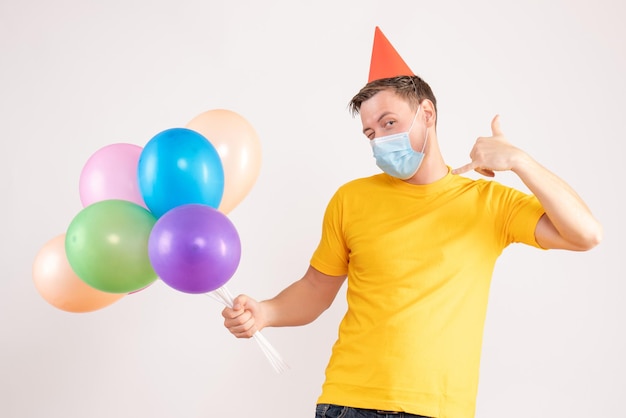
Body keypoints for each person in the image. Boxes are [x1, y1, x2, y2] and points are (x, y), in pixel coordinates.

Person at [222, 27, 603, 418]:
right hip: (350, 403)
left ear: (427, 114)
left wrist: (521, 162)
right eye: (370, 132)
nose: (379, 141)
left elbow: (586, 234)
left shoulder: (490, 203)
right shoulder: (351, 199)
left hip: (441, 409)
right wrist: (265, 312)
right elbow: (316, 288)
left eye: (388, 123)